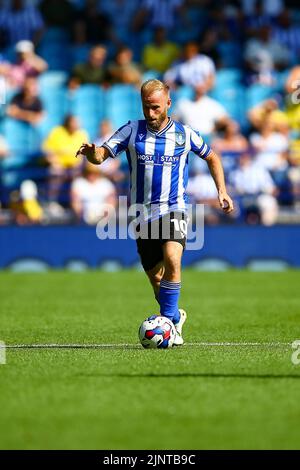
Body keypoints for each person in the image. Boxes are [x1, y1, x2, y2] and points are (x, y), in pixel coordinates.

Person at [76, 79, 233, 346]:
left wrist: (222, 191)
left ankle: (167, 323)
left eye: (156, 108)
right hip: (140, 214)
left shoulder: (185, 134)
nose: (150, 114)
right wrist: (92, 153)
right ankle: (174, 318)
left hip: (174, 208)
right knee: (155, 277)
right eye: (146, 107)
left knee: (173, 257)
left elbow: (212, 157)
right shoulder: (131, 130)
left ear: (168, 104)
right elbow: (102, 156)